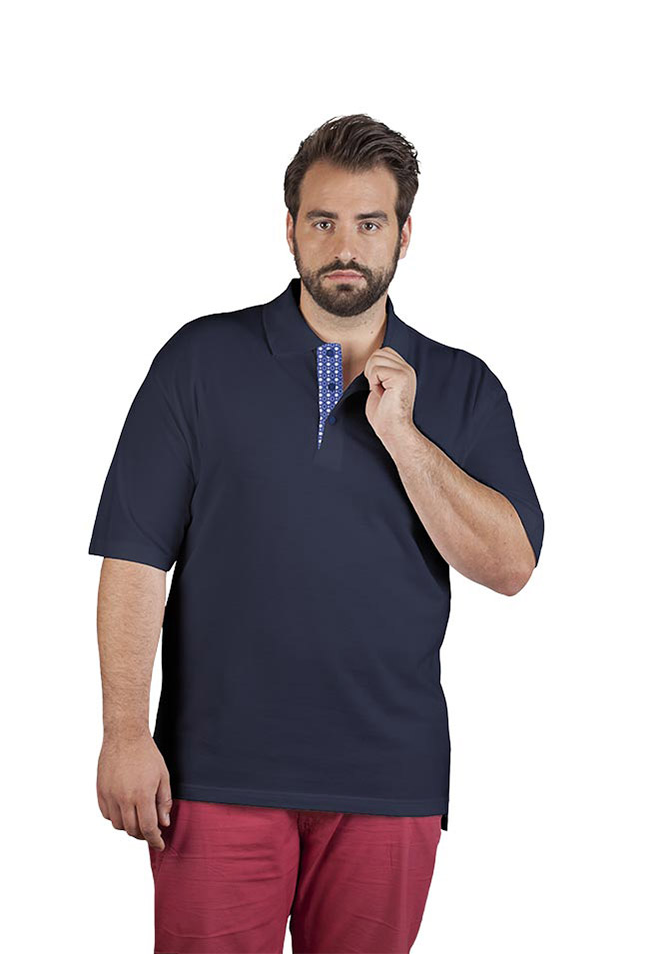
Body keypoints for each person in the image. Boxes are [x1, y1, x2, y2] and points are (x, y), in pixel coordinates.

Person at [89, 113, 544, 954]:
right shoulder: (200, 361)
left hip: (390, 779)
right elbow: (134, 557)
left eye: (369, 224)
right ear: (290, 228)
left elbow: (511, 565)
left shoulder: (463, 386)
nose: (345, 246)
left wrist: (404, 437)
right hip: (214, 774)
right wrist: (123, 732)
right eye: (323, 221)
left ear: (404, 234)